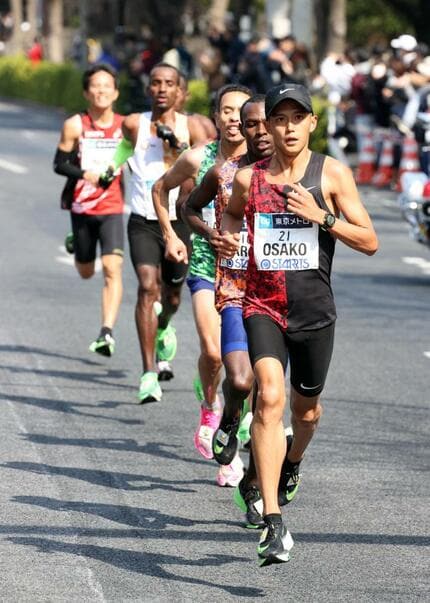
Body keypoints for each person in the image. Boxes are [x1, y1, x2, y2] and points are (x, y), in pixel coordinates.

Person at [220, 83, 378, 566]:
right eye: (279, 119)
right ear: (267, 126)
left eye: (297, 119)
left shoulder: (330, 173)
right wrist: (226, 242)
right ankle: (272, 520)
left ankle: (293, 460)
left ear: (312, 123)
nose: (288, 128)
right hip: (261, 304)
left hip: (314, 314)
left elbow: (369, 240)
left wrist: (321, 216)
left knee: (305, 412)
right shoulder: (249, 179)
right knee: (268, 397)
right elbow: (227, 217)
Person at [152, 84, 252, 486]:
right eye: (225, 111)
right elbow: (161, 189)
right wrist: (172, 237)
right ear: (215, 116)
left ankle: (234, 437)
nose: (232, 118)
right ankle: (209, 408)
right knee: (212, 353)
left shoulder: (263, 162)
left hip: (250, 271)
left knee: (245, 367)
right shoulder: (199, 157)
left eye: (240, 112)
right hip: (208, 266)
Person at [182, 94, 274, 512]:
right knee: (240, 383)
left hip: (280, 296)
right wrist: (210, 233)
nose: (256, 131)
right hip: (236, 287)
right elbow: (189, 207)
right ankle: (228, 417)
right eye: (247, 123)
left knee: (269, 401)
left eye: (261, 123)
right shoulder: (224, 172)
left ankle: (255, 486)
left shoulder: (293, 177)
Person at [120, 62, 209, 403]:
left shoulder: (195, 126)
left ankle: (165, 325)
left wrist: (179, 148)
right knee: (146, 287)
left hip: (181, 221)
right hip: (143, 218)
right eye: (155, 82)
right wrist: (104, 174)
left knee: (172, 296)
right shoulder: (134, 124)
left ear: (179, 91)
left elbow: (210, 167)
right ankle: (148, 372)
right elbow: (121, 152)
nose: (161, 88)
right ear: (149, 89)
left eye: (168, 83)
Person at [53, 63, 125, 357]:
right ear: (86, 92)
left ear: (116, 92)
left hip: (112, 208)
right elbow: (59, 164)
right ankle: (76, 242)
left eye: (107, 85)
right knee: (85, 271)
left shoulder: (125, 127)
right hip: (82, 208)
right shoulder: (75, 125)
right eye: (95, 85)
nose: (101, 91)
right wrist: (85, 174)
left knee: (111, 268)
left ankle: (106, 332)